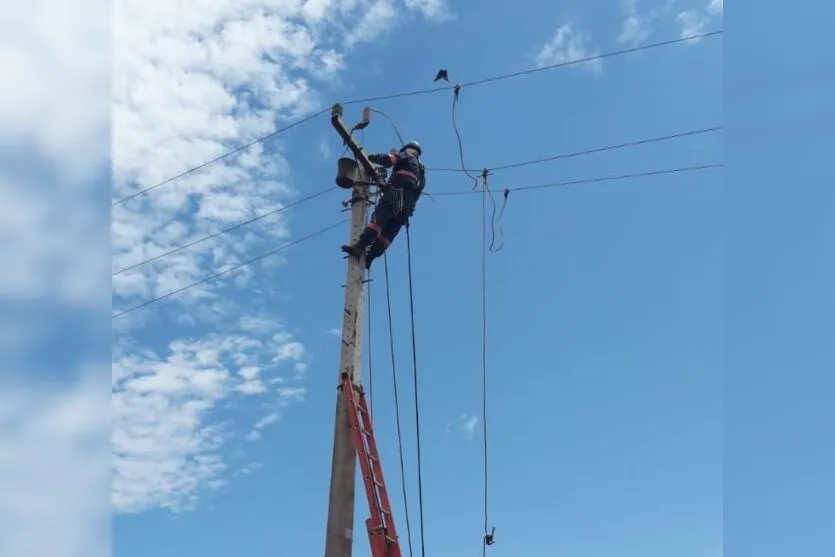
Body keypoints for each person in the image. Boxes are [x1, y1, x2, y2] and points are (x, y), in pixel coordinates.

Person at [341, 141, 426, 269]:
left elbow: (389, 160)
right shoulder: (422, 173)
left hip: (394, 197)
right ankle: (370, 258)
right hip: (406, 209)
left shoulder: (406, 155)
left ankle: (360, 247)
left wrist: (370, 157)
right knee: (387, 236)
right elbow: (418, 192)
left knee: (377, 223)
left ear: (409, 149)